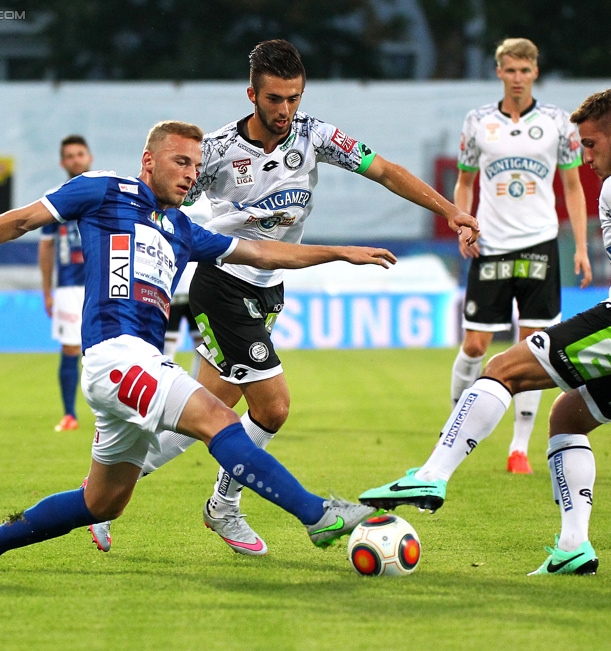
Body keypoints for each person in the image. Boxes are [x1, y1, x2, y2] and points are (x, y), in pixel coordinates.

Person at [0, 120, 397, 571]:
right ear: (148, 160)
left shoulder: (182, 228)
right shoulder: (101, 190)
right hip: (116, 354)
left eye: (197, 166)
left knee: (102, 503)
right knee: (218, 417)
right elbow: (21, 221)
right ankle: (317, 516)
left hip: (138, 364)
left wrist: (339, 252)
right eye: (180, 161)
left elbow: (262, 250)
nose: (190, 174)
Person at [92, 39, 478, 558]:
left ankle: (97, 500)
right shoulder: (220, 150)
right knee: (273, 409)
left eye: (293, 98)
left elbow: (384, 170)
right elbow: (161, 189)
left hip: (269, 290)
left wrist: (450, 209)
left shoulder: (316, 136)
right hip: (223, 284)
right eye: (274, 99)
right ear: (252, 93)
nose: (285, 111)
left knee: (209, 412)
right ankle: (223, 505)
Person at [359, 89, 611, 577]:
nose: (585, 157)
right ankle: (573, 546)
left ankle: (432, 475)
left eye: (589, 145)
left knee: (503, 369)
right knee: (567, 417)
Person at [452, 37, 591, 476]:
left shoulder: (557, 122)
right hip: (491, 242)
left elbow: (572, 186)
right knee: (475, 345)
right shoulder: (477, 122)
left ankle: (519, 448)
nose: (517, 79)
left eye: (525, 71)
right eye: (510, 70)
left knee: (533, 350)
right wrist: (463, 221)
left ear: (535, 72)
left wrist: (582, 247)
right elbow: (464, 181)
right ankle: (455, 427)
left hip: (540, 243)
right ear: (499, 71)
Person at [38, 135, 93, 432]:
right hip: (69, 285)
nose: (75, 160)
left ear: (89, 157)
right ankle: (70, 414)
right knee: (71, 348)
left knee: (108, 347)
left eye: (79, 154)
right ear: (63, 163)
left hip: (104, 281)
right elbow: (46, 247)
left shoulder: (104, 192)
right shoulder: (54, 198)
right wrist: (47, 291)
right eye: (69, 156)